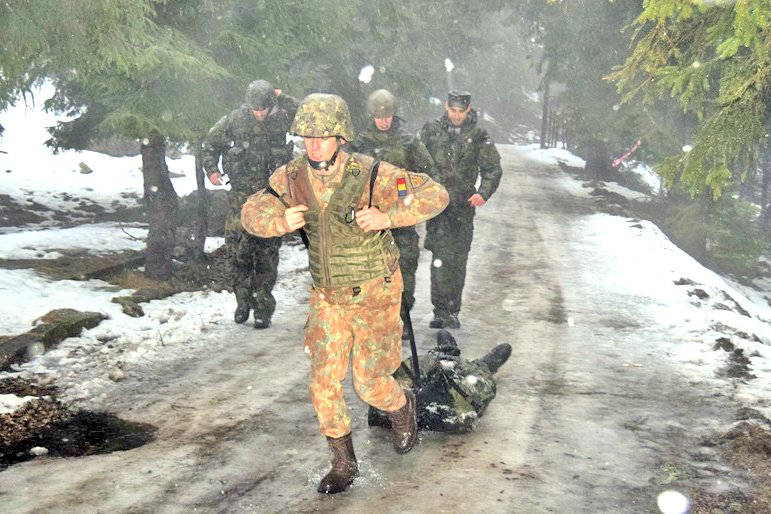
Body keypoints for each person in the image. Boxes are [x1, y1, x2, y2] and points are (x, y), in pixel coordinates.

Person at [241, 93, 449, 495]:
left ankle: (402, 406)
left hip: (375, 292)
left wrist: (389, 216)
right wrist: (278, 218)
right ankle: (343, 462)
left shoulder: (373, 175)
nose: (314, 144)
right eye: (307, 136)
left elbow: (433, 194)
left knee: (370, 383)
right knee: (323, 382)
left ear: (341, 136)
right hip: (328, 297)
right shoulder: (292, 178)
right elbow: (251, 210)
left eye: (323, 136)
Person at [202, 80, 299, 328]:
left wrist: (283, 96)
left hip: (270, 199)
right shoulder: (234, 120)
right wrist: (212, 170)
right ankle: (243, 300)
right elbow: (211, 144)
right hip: (240, 200)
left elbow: (307, 117)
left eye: (264, 109)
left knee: (266, 254)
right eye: (255, 109)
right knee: (237, 252)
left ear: (271, 105)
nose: (259, 114)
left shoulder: (283, 117)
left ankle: (263, 307)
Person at [347, 89, 434, 338]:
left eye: (387, 116)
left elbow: (428, 171)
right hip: (369, 217)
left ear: (394, 115)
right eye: (378, 117)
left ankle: (401, 318)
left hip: (400, 217)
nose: (383, 121)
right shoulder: (361, 143)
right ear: (371, 116)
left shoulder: (408, 141)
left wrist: (408, 189)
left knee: (404, 267)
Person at [419, 90, 502, 329]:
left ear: (468, 109)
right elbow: (416, 163)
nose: (456, 116)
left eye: (461, 111)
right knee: (439, 259)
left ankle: (453, 310)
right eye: (452, 110)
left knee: (457, 259)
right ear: (446, 106)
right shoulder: (432, 131)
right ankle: (440, 310)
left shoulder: (478, 136)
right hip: (438, 207)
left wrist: (482, 193)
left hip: (463, 208)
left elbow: (492, 169)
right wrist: (419, 191)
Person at [368, 329, 512, 434]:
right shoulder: (449, 409)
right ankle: (455, 354)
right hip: (454, 382)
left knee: (443, 353)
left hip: (442, 373)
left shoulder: (391, 400)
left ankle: (449, 351)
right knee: (480, 368)